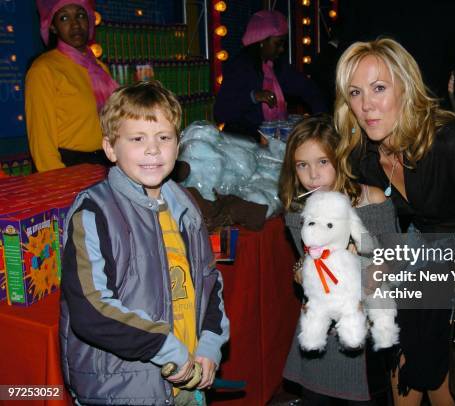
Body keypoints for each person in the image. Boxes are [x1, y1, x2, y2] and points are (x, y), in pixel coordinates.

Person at [334, 38, 455, 406]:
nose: (366, 104)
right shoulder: (366, 153)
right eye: (355, 92)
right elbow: (373, 224)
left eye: (379, 88)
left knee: (438, 339)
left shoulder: (450, 144)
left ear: (406, 87)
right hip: (425, 238)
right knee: (402, 332)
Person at [60, 81, 229, 405]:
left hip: (186, 381)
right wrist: (166, 347)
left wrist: (209, 344)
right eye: (137, 139)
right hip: (123, 388)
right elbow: (91, 309)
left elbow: (210, 282)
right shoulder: (95, 212)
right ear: (110, 148)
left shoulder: (186, 208)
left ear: (177, 145)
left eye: (164, 138)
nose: (153, 149)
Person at [279, 115, 396, 405]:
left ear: (340, 158)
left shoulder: (373, 200)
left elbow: (395, 264)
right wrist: (301, 271)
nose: (313, 175)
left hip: (367, 333)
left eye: (322, 162)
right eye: (302, 165)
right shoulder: (300, 210)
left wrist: (366, 267)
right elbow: (309, 266)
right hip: (323, 331)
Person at [26, 0, 118, 172]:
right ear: (53, 27)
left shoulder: (99, 69)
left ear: (90, 21)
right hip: (68, 166)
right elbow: (41, 140)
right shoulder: (44, 69)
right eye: (64, 18)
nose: (75, 24)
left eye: (80, 15)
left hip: (106, 163)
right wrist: (58, 181)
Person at [214, 10, 326, 141]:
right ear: (261, 41)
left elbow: (308, 89)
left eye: (283, 44)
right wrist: (253, 97)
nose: (282, 49)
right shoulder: (240, 68)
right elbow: (221, 112)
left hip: (270, 144)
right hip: (243, 145)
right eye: (278, 44)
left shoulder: (278, 68)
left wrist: (322, 118)